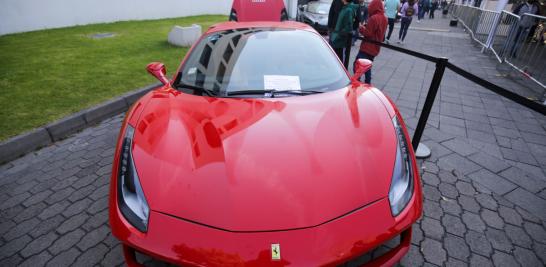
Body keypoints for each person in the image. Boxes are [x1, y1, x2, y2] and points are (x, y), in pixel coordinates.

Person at [353, 0, 387, 84]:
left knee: (357, 65)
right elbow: (381, 35)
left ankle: (358, 83)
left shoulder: (373, 18)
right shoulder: (384, 18)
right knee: (367, 66)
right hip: (376, 48)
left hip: (367, 47)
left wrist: (361, 28)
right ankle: (367, 83)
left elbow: (368, 33)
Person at [331, 0, 357, 69]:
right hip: (337, 38)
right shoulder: (346, 8)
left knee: (338, 60)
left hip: (339, 40)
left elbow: (348, 27)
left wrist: (338, 35)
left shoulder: (348, 10)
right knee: (336, 58)